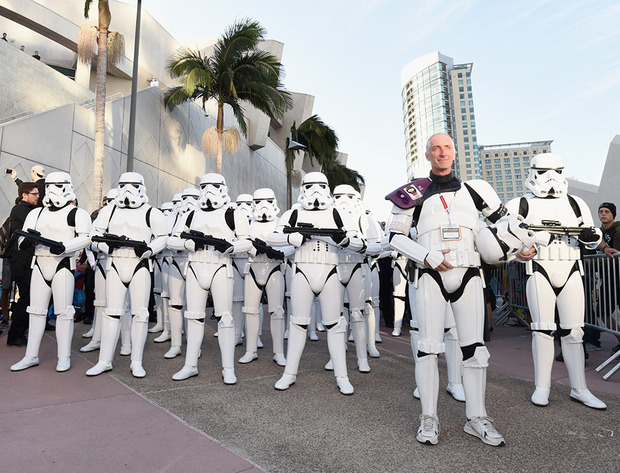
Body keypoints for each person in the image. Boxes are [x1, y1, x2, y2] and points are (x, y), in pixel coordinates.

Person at [387, 133, 510, 446]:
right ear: (428, 155)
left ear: (454, 153)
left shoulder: (476, 190)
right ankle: (428, 416)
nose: (441, 153)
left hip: (468, 273)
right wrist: (425, 254)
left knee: (475, 349)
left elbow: (506, 227)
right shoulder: (413, 192)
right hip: (430, 274)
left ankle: (477, 416)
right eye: (435, 149)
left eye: (447, 148)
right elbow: (395, 237)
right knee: (428, 347)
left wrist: (516, 249)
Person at [506, 153, 606, 410]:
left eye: (556, 171)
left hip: (571, 267)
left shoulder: (576, 203)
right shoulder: (520, 204)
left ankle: (580, 388)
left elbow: (594, 237)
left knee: (575, 331)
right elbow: (505, 241)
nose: (550, 178)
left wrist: (588, 236)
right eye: (543, 172)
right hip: (539, 268)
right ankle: (542, 386)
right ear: (533, 172)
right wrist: (520, 251)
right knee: (542, 329)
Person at [268, 172, 365, 395]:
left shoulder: (338, 213)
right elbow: (272, 237)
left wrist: (345, 241)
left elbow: (360, 242)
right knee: (298, 323)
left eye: (320, 186)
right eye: (310, 186)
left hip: (330, 270)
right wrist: (291, 238)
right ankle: (289, 373)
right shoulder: (293, 213)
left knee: (335, 325)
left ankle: (342, 376)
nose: (315, 192)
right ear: (303, 188)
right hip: (302, 270)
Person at [167, 173, 252, 385]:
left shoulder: (233, 213)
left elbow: (247, 242)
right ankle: (190, 365)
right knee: (194, 317)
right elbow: (172, 239)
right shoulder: (190, 215)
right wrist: (188, 244)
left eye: (213, 186)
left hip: (221, 266)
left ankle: (228, 368)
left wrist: (230, 246)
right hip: (195, 266)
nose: (208, 191)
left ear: (223, 188)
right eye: (204, 187)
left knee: (225, 318)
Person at [86, 173, 168, 378]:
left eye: (133, 186)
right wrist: (107, 246)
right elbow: (94, 235)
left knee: (140, 314)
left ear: (141, 188)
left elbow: (163, 237)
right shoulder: (109, 210)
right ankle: (104, 361)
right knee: (111, 313)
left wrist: (148, 250)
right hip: (115, 263)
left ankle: (137, 362)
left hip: (139, 264)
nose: (128, 190)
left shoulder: (151, 212)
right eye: (124, 185)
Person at [10, 173, 91, 372]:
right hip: (39, 264)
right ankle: (31, 355)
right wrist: (27, 240)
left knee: (64, 313)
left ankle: (63, 357)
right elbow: (22, 240)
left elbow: (86, 238)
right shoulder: (36, 214)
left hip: (62, 265)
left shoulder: (77, 213)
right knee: (36, 311)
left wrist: (64, 246)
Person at [6, 183, 39, 346]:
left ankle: (20, 332)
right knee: (26, 296)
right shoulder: (21, 209)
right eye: (35, 194)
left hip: (25, 259)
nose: (38, 197)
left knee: (29, 296)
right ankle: (15, 335)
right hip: (21, 259)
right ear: (25, 195)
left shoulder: (29, 210)